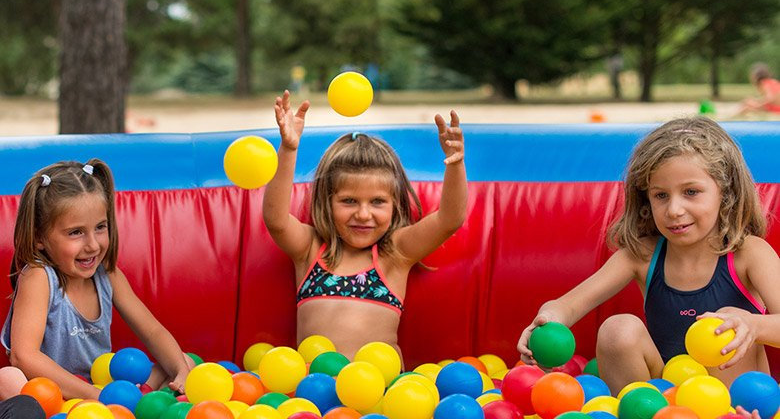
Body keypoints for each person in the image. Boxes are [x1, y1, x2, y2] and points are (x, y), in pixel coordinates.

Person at [516, 116, 780, 393]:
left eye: (691, 192)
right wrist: (546, 320)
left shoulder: (749, 253)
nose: (674, 209)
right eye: (661, 196)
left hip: (734, 401)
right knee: (618, 329)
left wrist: (752, 324)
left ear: (725, 194)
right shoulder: (642, 255)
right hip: (660, 399)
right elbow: (568, 306)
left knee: (724, 323)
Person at [263, 90, 467, 360]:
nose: (363, 214)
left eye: (377, 202)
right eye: (349, 201)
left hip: (378, 392)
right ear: (327, 202)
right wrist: (288, 149)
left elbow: (449, 220)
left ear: (395, 205)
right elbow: (276, 221)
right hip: (313, 394)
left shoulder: (395, 253)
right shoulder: (311, 250)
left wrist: (456, 163)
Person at [0, 160, 194, 400]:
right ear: (40, 237)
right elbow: (24, 356)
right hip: (56, 396)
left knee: (181, 360)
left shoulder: (107, 275)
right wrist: (95, 397)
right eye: (76, 232)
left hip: (101, 389)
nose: (92, 245)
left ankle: (140, 404)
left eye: (100, 227)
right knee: (8, 379)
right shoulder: (39, 276)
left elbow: (152, 331)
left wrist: (182, 373)